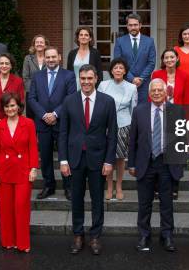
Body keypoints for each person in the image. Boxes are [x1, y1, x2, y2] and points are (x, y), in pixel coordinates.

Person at [59, 64, 118, 255]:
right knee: (76, 198)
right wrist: (63, 160)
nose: (86, 82)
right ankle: (78, 235)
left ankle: (95, 236)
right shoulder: (69, 101)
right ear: (79, 79)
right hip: (74, 159)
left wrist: (109, 161)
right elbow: (63, 133)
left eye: (89, 78)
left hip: (98, 159)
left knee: (97, 199)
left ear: (96, 79)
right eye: (82, 78)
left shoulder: (108, 101)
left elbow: (113, 134)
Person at [129, 79, 185, 253]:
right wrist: (131, 163)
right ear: (149, 93)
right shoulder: (139, 111)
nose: (156, 93)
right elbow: (133, 140)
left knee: (166, 202)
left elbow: (182, 140)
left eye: (160, 90)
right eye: (153, 90)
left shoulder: (177, 111)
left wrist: (180, 164)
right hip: (145, 163)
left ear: (166, 92)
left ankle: (167, 235)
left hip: (167, 164)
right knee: (144, 203)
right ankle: (144, 235)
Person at [0, 92, 39, 252]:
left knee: (21, 206)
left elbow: (33, 147)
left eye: (12, 105)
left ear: (19, 106)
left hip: (23, 171)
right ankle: (8, 240)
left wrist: (33, 168)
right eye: (6, 106)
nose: (10, 109)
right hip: (4, 171)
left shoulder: (29, 123)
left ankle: (23, 243)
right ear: (3, 108)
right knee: (5, 208)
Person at [27, 46, 76, 200]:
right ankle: (49, 185)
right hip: (42, 123)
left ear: (59, 57)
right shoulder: (37, 76)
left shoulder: (68, 76)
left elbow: (71, 98)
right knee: (46, 156)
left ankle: (68, 186)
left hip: (62, 122)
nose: (50, 60)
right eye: (47, 57)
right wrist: (43, 115)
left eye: (53, 57)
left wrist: (55, 114)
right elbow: (32, 99)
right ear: (44, 59)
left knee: (65, 154)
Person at [150, 48, 189, 200]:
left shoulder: (184, 75)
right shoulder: (156, 74)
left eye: (171, 57)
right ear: (163, 60)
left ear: (177, 58)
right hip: (159, 115)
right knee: (158, 151)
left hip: (177, 117)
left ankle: (174, 186)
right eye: (166, 57)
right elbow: (152, 94)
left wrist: (186, 121)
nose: (169, 60)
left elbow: (187, 99)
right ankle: (156, 187)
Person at [98, 58, 137, 200]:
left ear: (125, 71)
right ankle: (109, 186)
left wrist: (134, 128)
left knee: (120, 158)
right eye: (115, 68)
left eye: (121, 68)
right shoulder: (103, 85)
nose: (118, 70)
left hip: (124, 124)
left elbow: (134, 109)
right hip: (106, 125)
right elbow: (99, 106)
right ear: (111, 71)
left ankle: (119, 186)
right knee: (108, 157)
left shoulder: (132, 87)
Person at [113, 13, 156, 103]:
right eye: (130, 25)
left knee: (142, 111)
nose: (133, 27)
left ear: (140, 25)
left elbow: (151, 62)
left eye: (135, 25)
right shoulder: (120, 41)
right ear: (127, 26)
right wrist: (132, 78)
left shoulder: (149, 41)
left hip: (143, 84)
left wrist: (141, 78)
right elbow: (118, 63)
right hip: (125, 82)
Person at [22, 34, 49, 118]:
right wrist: (35, 89)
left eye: (41, 42)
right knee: (31, 117)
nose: (39, 44)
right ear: (34, 45)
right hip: (31, 94)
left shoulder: (50, 58)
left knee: (45, 116)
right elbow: (25, 77)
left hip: (47, 93)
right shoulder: (28, 58)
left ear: (45, 45)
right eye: (37, 42)